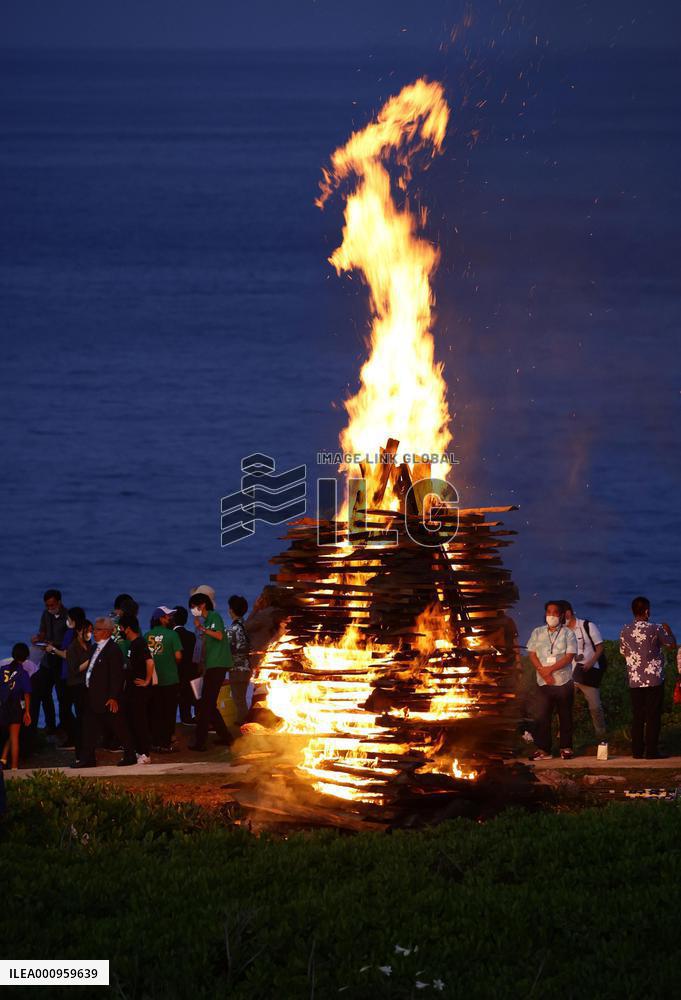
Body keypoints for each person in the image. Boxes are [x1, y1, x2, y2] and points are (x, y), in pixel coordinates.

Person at [72, 617, 136, 768]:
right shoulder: (94, 648)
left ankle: (130, 755)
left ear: (107, 632)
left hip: (107, 697)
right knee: (88, 728)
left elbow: (116, 675)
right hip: (92, 695)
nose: (94, 632)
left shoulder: (113, 650)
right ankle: (88, 759)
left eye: (97, 629)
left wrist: (113, 697)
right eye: (94, 629)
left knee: (119, 727)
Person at [620, 597, 676, 759]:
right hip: (654, 679)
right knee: (653, 716)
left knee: (638, 715)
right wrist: (669, 631)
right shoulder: (656, 628)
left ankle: (637, 751)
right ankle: (651, 751)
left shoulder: (625, 629)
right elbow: (671, 645)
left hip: (635, 679)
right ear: (647, 611)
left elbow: (623, 651)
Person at [527, 601, 577, 760]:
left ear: (561, 615)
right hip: (543, 681)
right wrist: (543, 672)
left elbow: (569, 657)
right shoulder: (537, 632)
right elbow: (532, 654)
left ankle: (566, 747)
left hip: (563, 680)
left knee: (565, 716)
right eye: (548, 612)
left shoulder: (568, 633)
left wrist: (550, 670)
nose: (551, 615)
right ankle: (543, 749)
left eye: (555, 612)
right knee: (543, 716)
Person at [187, 593, 233, 751]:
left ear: (202, 605)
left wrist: (201, 628)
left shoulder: (214, 617)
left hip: (218, 664)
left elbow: (219, 636)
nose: (193, 610)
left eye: (194, 607)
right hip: (212, 665)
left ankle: (200, 741)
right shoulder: (208, 620)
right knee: (209, 703)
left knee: (206, 703)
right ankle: (227, 737)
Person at [561, 601, 607, 744]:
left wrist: (590, 662)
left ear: (568, 612)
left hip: (587, 673)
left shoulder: (587, 625)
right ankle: (563, 738)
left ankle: (601, 737)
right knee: (565, 707)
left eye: (562, 614)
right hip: (569, 674)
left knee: (595, 706)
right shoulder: (562, 631)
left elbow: (600, 647)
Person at [31, 588, 69, 733]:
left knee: (62, 696)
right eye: (47, 605)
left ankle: (64, 726)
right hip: (47, 660)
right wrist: (38, 639)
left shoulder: (68, 617)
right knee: (43, 692)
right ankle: (50, 725)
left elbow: (68, 641)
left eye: (52, 605)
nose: (49, 608)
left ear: (59, 602)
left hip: (60, 660)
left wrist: (53, 645)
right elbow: (43, 632)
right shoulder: (46, 614)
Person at [145, 607, 182, 752]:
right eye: (167, 616)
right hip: (170, 679)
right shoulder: (172, 635)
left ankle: (155, 741)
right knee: (169, 712)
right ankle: (166, 744)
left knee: (155, 711)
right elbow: (178, 656)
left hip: (153, 680)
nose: (170, 619)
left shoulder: (146, 635)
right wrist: (170, 661)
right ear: (161, 618)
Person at [119, 614, 154, 764]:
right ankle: (137, 750)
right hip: (131, 689)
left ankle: (144, 753)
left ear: (127, 629)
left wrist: (147, 680)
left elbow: (150, 661)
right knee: (132, 720)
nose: (120, 630)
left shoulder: (139, 643)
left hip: (138, 689)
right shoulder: (132, 644)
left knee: (139, 721)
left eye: (121, 628)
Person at [64, 612, 92, 761]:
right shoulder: (73, 648)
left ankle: (88, 751)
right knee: (81, 719)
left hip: (88, 686)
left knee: (88, 720)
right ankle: (80, 753)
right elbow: (73, 670)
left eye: (90, 630)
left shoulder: (90, 646)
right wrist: (90, 661)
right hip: (77, 686)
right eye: (86, 630)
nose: (89, 633)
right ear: (79, 631)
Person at [0, 644, 32, 769]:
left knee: (7, 734)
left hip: (3, 705)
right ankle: (14, 767)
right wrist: (27, 712)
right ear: (25, 657)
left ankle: (3, 759)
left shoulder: (2, 669)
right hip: (15, 706)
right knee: (14, 737)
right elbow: (27, 694)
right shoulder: (23, 673)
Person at [227, 595, 252, 725]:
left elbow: (227, 648)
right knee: (241, 698)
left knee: (238, 699)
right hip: (247, 667)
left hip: (236, 669)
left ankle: (243, 724)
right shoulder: (247, 625)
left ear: (231, 610)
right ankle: (244, 722)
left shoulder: (232, 629)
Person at [174, 606, 198, 724]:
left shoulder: (172, 635)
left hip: (176, 671)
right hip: (190, 671)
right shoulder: (191, 635)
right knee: (187, 698)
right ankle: (187, 719)